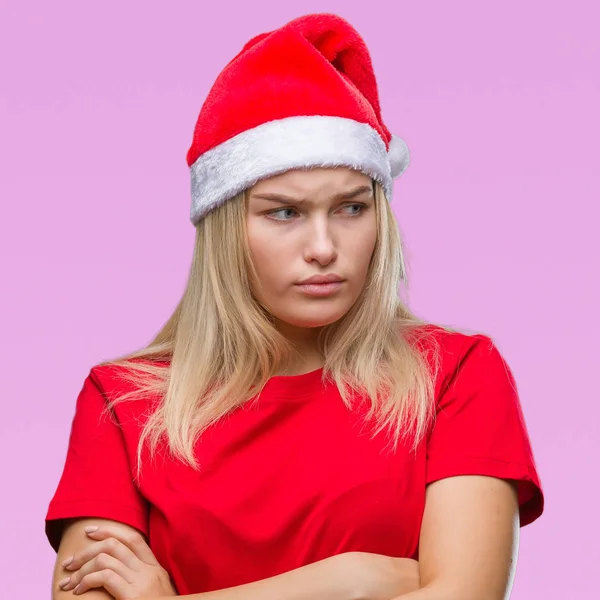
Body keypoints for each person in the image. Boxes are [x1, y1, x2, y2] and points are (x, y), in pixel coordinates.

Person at [45, 12, 544, 600]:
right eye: (284, 212)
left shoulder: (456, 375)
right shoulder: (124, 404)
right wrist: (353, 582)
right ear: (227, 225)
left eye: (352, 208)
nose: (324, 248)